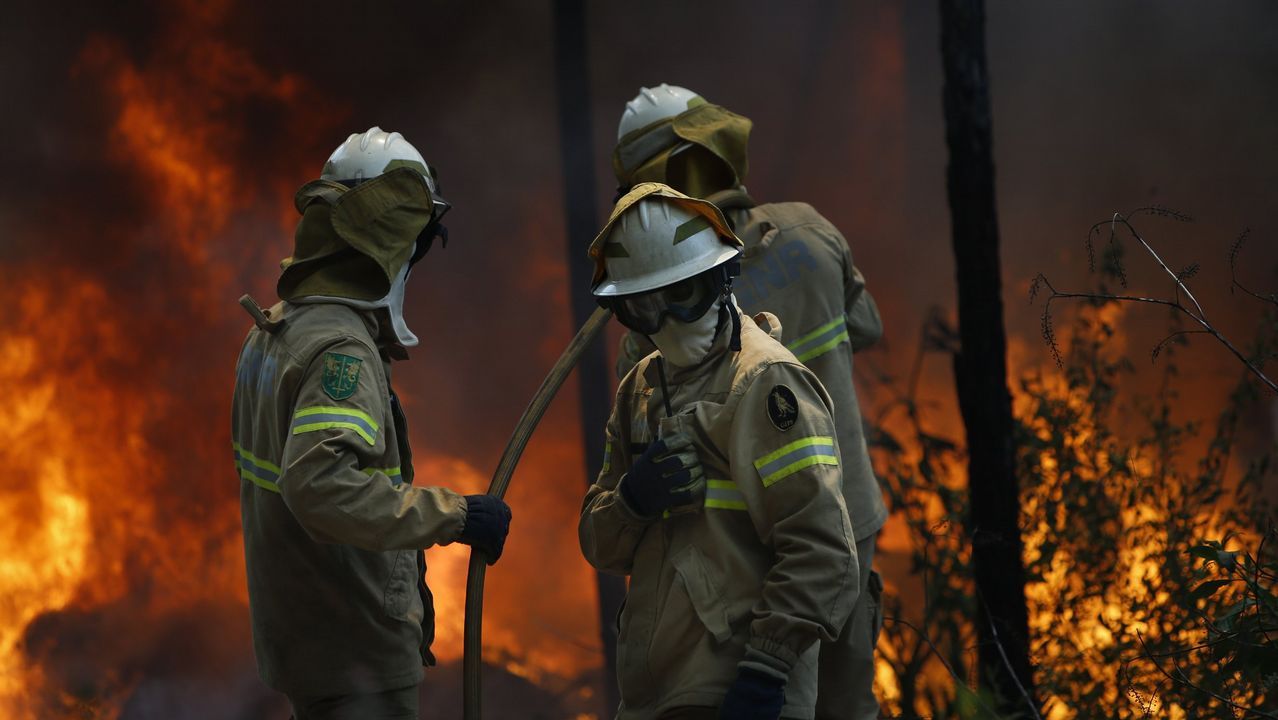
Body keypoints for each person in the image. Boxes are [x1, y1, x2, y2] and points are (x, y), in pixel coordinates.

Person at [611, 85, 888, 720]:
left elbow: (648, 448)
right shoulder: (811, 233)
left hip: (744, 562)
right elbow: (866, 326)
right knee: (847, 706)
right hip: (849, 527)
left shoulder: (656, 309)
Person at [231, 127, 512, 720]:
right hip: (354, 653)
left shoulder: (273, 331)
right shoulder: (341, 351)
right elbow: (320, 487)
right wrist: (456, 515)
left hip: (307, 645)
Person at [579, 182, 858, 720]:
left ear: (721, 277)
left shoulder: (765, 384)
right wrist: (632, 502)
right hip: (650, 696)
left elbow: (822, 550)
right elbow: (600, 546)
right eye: (643, 307)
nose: (666, 322)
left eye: (682, 296)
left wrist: (765, 672)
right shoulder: (638, 389)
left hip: (739, 691)